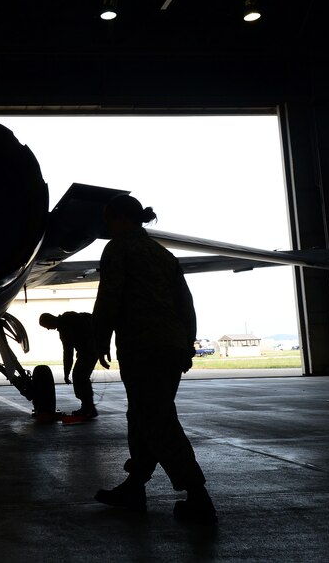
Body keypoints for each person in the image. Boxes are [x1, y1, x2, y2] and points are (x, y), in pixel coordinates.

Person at [91, 194, 217, 524]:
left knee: (156, 419)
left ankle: (198, 496)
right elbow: (185, 303)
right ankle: (135, 487)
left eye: (108, 220)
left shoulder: (118, 248)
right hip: (169, 347)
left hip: (142, 348)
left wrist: (99, 338)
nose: (107, 228)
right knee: (143, 415)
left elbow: (109, 297)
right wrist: (185, 345)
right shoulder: (163, 254)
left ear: (119, 219)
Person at [38, 311, 98, 418]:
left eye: (46, 326)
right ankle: (87, 407)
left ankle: (89, 408)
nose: (48, 329)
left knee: (80, 377)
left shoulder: (64, 329)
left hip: (89, 351)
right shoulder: (68, 316)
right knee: (81, 377)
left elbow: (68, 353)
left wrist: (66, 373)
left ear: (49, 321)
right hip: (91, 349)